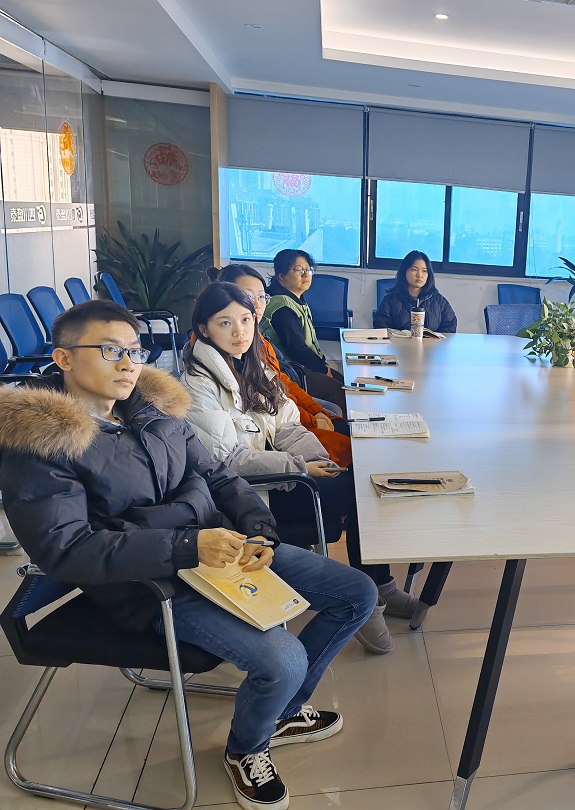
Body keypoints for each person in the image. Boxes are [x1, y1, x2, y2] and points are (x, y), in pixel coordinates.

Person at [0, 300, 377, 810]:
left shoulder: (150, 411)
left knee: (356, 593)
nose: (128, 363)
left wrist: (258, 528)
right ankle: (247, 748)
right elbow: (67, 549)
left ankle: (281, 712)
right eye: (110, 351)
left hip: (215, 552)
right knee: (283, 658)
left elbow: (217, 476)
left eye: (134, 351)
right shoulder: (42, 445)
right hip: (146, 585)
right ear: (63, 358)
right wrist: (186, 545)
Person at [180, 283, 418, 655]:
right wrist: (299, 467)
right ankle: (372, 597)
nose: (239, 331)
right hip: (249, 496)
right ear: (204, 329)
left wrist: (317, 462)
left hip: (282, 475)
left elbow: (288, 425)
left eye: (245, 320)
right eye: (225, 323)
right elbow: (228, 463)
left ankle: (378, 587)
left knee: (358, 484)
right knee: (359, 493)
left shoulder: (251, 364)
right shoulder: (197, 386)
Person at [216, 264, 351, 469]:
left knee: (347, 434)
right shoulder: (229, 355)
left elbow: (280, 384)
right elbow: (268, 408)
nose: (257, 304)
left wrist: (315, 413)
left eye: (262, 296)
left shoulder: (258, 340)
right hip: (271, 441)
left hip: (285, 427)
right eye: (247, 296)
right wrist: (313, 421)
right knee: (349, 450)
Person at [262, 249, 346, 412]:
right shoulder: (281, 305)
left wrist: (322, 365)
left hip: (301, 364)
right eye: (299, 270)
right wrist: (323, 368)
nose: (306, 275)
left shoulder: (294, 298)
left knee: (343, 381)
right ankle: (337, 426)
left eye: (308, 269)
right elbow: (297, 349)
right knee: (339, 391)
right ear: (281, 276)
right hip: (291, 371)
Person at [373, 251, 457, 333]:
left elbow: (450, 327)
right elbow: (380, 326)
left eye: (424, 271)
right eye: (414, 270)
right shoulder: (390, 300)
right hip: (399, 342)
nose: (419, 275)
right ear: (404, 271)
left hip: (431, 343)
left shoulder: (440, 301)